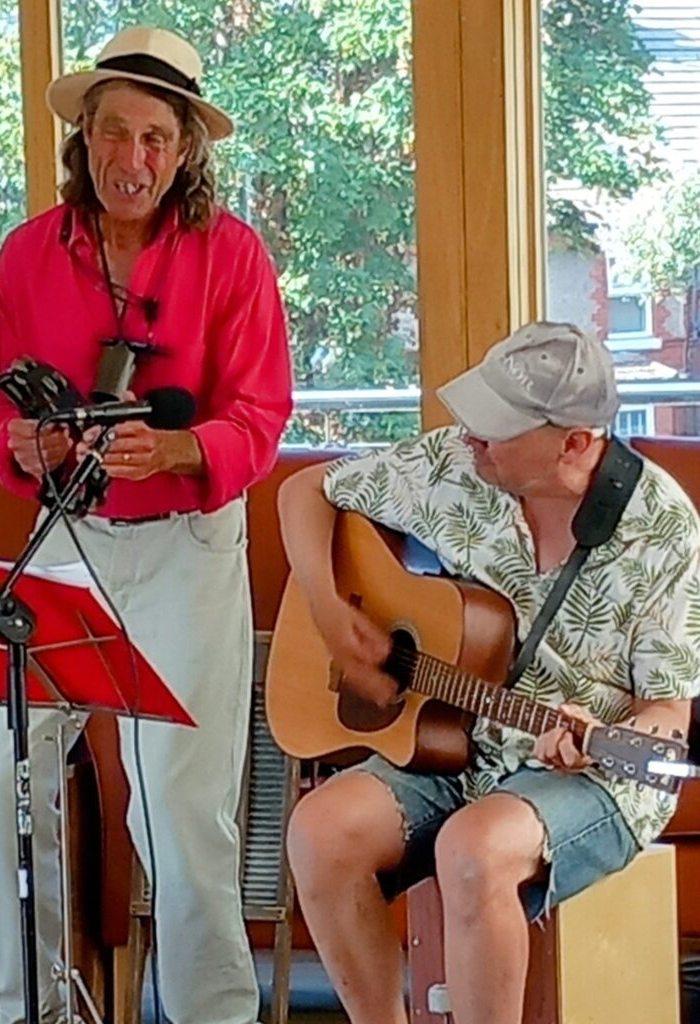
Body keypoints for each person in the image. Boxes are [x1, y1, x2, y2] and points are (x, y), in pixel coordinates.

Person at [0, 24, 291, 1024]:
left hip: (189, 545)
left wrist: (181, 448)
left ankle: (211, 1017)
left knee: (179, 811)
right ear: (86, 140)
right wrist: (21, 443)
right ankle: (30, 1010)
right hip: (66, 536)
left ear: (185, 150)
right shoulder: (28, 254)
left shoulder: (233, 255)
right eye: (116, 132)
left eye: (156, 137)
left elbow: (260, 414)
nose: (134, 158)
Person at [277, 321, 700, 1024]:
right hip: (457, 742)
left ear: (574, 442)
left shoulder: (660, 527)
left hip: (596, 775)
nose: (470, 434)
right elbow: (306, 491)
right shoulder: (454, 463)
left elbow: (664, 720)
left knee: (473, 848)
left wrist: (596, 738)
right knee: (320, 831)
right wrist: (329, 612)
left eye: (496, 427)